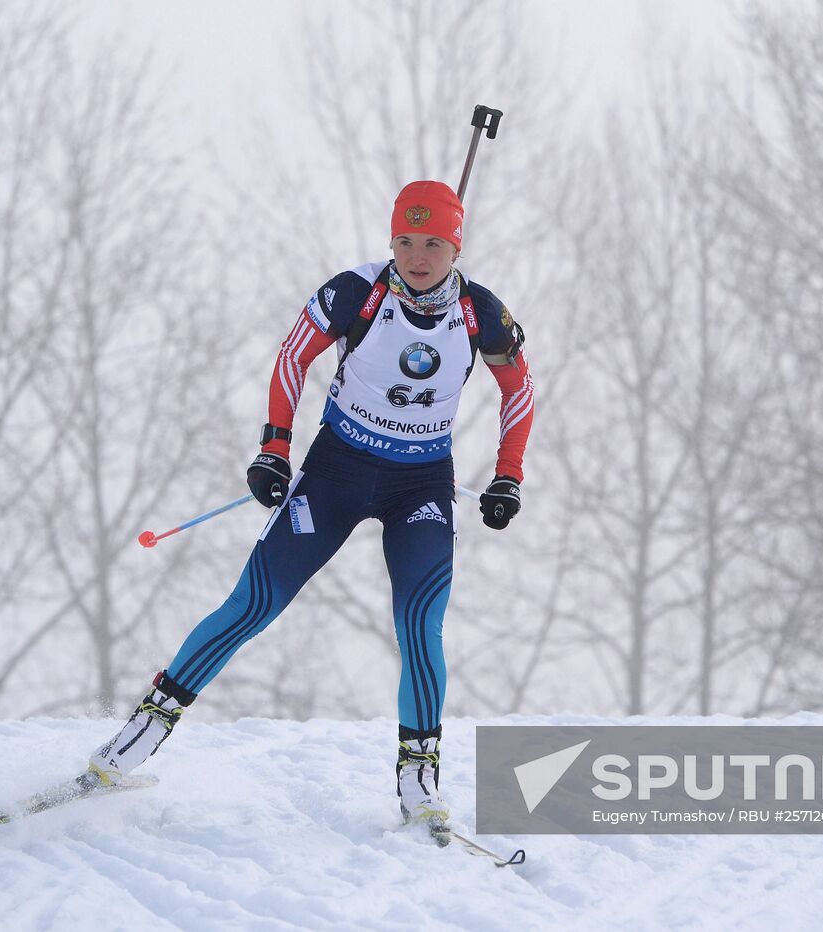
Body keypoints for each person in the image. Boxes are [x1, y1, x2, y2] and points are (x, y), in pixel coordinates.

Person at [85, 180, 534, 828]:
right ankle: (136, 739)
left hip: (421, 487)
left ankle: (419, 781)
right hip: (337, 471)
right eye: (405, 240)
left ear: (455, 245)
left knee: (419, 623)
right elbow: (294, 357)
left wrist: (508, 477)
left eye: (433, 242)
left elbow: (519, 391)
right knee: (254, 602)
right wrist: (273, 448)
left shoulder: (481, 313)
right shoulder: (356, 291)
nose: (416, 255)